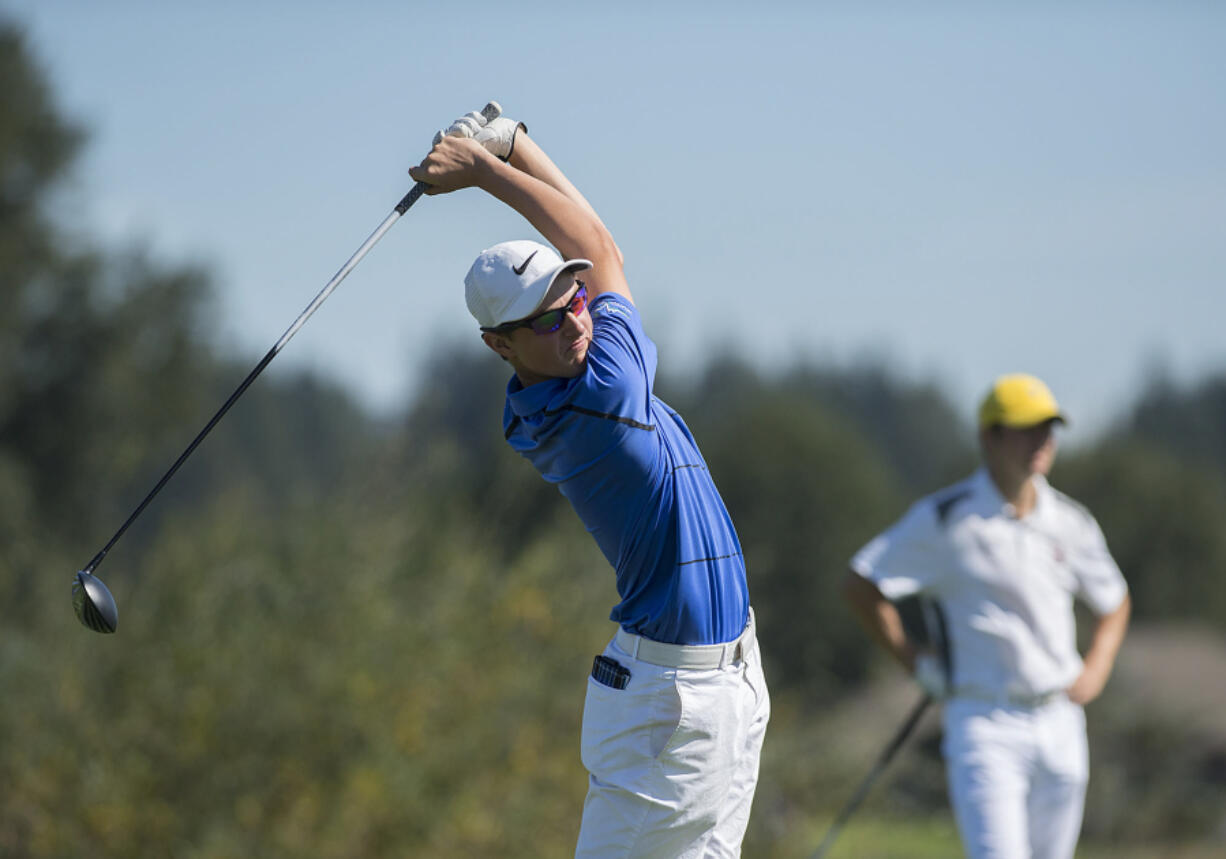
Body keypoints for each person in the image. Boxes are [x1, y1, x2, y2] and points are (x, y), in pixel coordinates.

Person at [409, 105, 770, 858]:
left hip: (728, 685)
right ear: (498, 346)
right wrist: (492, 169)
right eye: (544, 320)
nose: (574, 321)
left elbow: (594, 253)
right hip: (666, 706)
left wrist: (515, 147)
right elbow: (600, 245)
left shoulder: (582, 365)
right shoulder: (597, 401)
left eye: (573, 298)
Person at [842, 373, 1131, 859]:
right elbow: (862, 583)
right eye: (1026, 428)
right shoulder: (945, 518)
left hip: (1061, 720)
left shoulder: (1070, 521)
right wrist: (915, 664)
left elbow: (1115, 601)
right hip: (984, 723)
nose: (1042, 441)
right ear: (988, 437)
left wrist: (1097, 668)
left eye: (1049, 429)